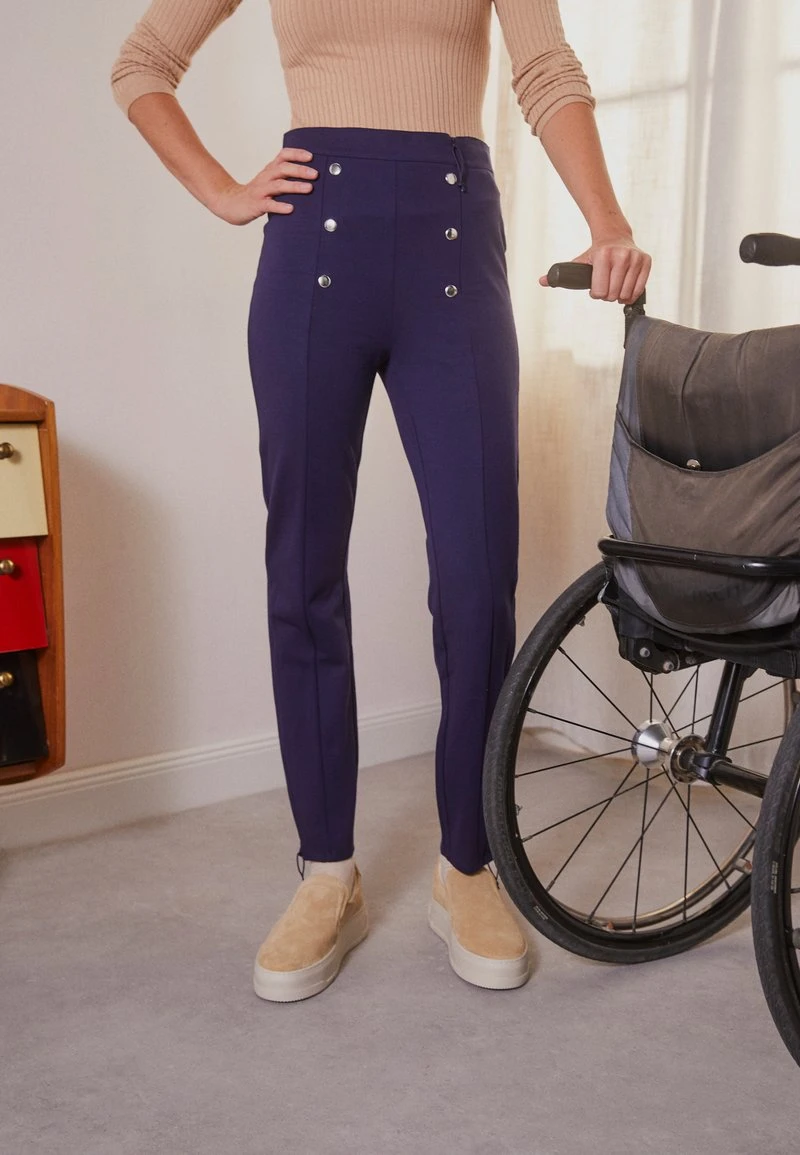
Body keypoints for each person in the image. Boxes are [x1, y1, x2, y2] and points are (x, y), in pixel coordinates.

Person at [110, 0, 651, 1003]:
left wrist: (607, 221)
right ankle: (327, 874)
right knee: (303, 569)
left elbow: (546, 71)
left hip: (454, 244)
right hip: (311, 254)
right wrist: (222, 190)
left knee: (477, 573)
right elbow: (142, 63)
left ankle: (467, 865)